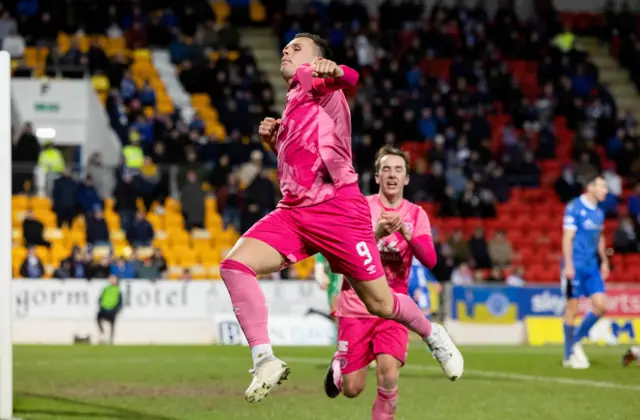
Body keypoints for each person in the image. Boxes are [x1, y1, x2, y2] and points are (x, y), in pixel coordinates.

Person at [219, 33, 463, 403]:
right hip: (294, 213)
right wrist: (276, 142)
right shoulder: (294, 104)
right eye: (285, 45)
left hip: (338, 212)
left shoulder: (318, 84)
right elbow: (301, 164)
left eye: (297, 48)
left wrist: (335, 69)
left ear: (315, 60)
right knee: (235, 265)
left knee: (381, 304)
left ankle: (433, 335)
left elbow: (352, 78)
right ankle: (264, 359)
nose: (286, 49)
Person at [323, 146, 461, 420]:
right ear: (376, 176)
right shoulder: (361, 207)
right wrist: (376, 233)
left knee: (388, 375)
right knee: (352, 389)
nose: (392, 174)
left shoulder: (415, 214)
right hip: (356, 305)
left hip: (394, 308)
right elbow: (344, 251)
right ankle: (339, 366)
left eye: (398, 169)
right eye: (386, 168)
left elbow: (431, 259)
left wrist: (406, 232)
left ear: (407, 178)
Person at [562, 174, 609, 369]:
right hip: (576, 265)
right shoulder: (574, 207)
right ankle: (568, 355)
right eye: (602, 187)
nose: (606, 191)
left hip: (592, 266)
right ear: (590, 187)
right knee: (572, 309)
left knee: (601, 306)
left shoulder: (599, 212)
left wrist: (604, 261)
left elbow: (600, 237)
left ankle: (576, 340)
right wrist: (568, 264)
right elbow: (567, 238)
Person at [97, 275, 123, 344]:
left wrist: (116, 310)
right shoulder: (106, 288)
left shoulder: (118, 289)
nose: (112, 280)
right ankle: (102, 332)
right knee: (98, 318)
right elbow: (101, 298)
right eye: (111, 279)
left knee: (112, 324)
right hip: (104, 308)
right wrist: (101, 306)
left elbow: (120, 302)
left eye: (113, 279)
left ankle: (111, 339)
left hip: (112, 310)